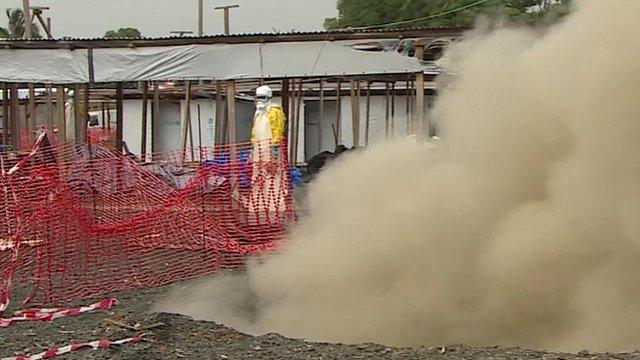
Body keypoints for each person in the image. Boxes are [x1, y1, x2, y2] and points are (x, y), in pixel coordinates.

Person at [251, 85, 286, 162]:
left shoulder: (275, 111)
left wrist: (275, 146)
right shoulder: (258, 112)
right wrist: (253, 145)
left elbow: (277, 129)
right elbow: (254, 131)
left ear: (269, 98)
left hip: (270, 148)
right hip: (258, 148)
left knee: (271, 170)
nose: (260, 101)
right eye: (258, 98)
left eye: (263, 98)